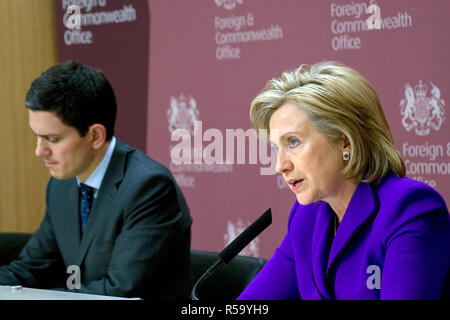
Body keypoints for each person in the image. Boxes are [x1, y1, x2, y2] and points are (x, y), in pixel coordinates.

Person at [238, 61, 449, 300]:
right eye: (277, 148)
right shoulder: (306, 216)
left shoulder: (409, 209)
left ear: (345, 142)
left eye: (293, 142)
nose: (280, 166)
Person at [0, 61, 192, 300]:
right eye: (37, 137)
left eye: (53, 139)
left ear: (95, 135)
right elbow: (30, 269)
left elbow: (120, 291)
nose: (40, 151)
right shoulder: (62, 185)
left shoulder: (148, 186)